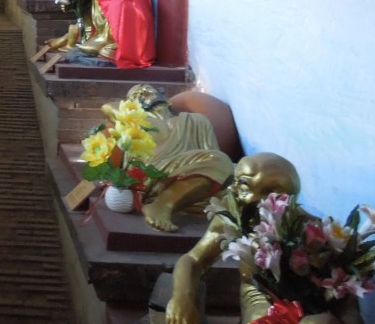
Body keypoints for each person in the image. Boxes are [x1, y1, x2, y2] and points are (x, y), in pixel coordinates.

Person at [166, 153, 321, 324]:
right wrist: (182, 297)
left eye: (244, 185)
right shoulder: (233, 221)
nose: (232, 190)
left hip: (306, 309)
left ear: (274, 195)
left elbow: (339, 291)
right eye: (236, 182)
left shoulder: (312, 231)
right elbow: (193, 259)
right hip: (260, 307)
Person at [116, 84, 233, 233]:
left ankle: (177, 198)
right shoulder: (135, 125)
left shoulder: (196, 120)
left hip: (196, 174)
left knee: (234, 173)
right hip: (153, 177)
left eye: (149, 89)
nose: (145, 92)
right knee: (221, 162)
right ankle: (161, 205)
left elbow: (214, 158)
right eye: (137, 94)